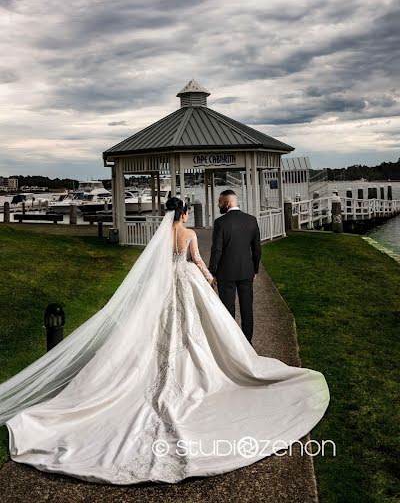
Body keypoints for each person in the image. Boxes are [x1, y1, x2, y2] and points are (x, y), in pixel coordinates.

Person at [0, 198, 330, 485]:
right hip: (186, 282)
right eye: (185, 213)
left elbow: (155, 268)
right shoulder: (187, 235)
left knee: (159, 329)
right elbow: (196, 261)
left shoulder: (161, 237)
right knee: (195, 329)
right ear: (184, 215)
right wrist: (209, 277)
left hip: (164, 287)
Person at [209, 190, 261, 345]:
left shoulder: (220, 223)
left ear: (227, 203)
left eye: (219, 202)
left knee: (227, 311)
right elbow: (257, 249)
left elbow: (217, 250)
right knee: (247, 309)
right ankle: (247, 343)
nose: (218, 205)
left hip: (226, 274)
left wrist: (213, 271)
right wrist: (255, 269)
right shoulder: (251, 220)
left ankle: (232, 346)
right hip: (246, 271)